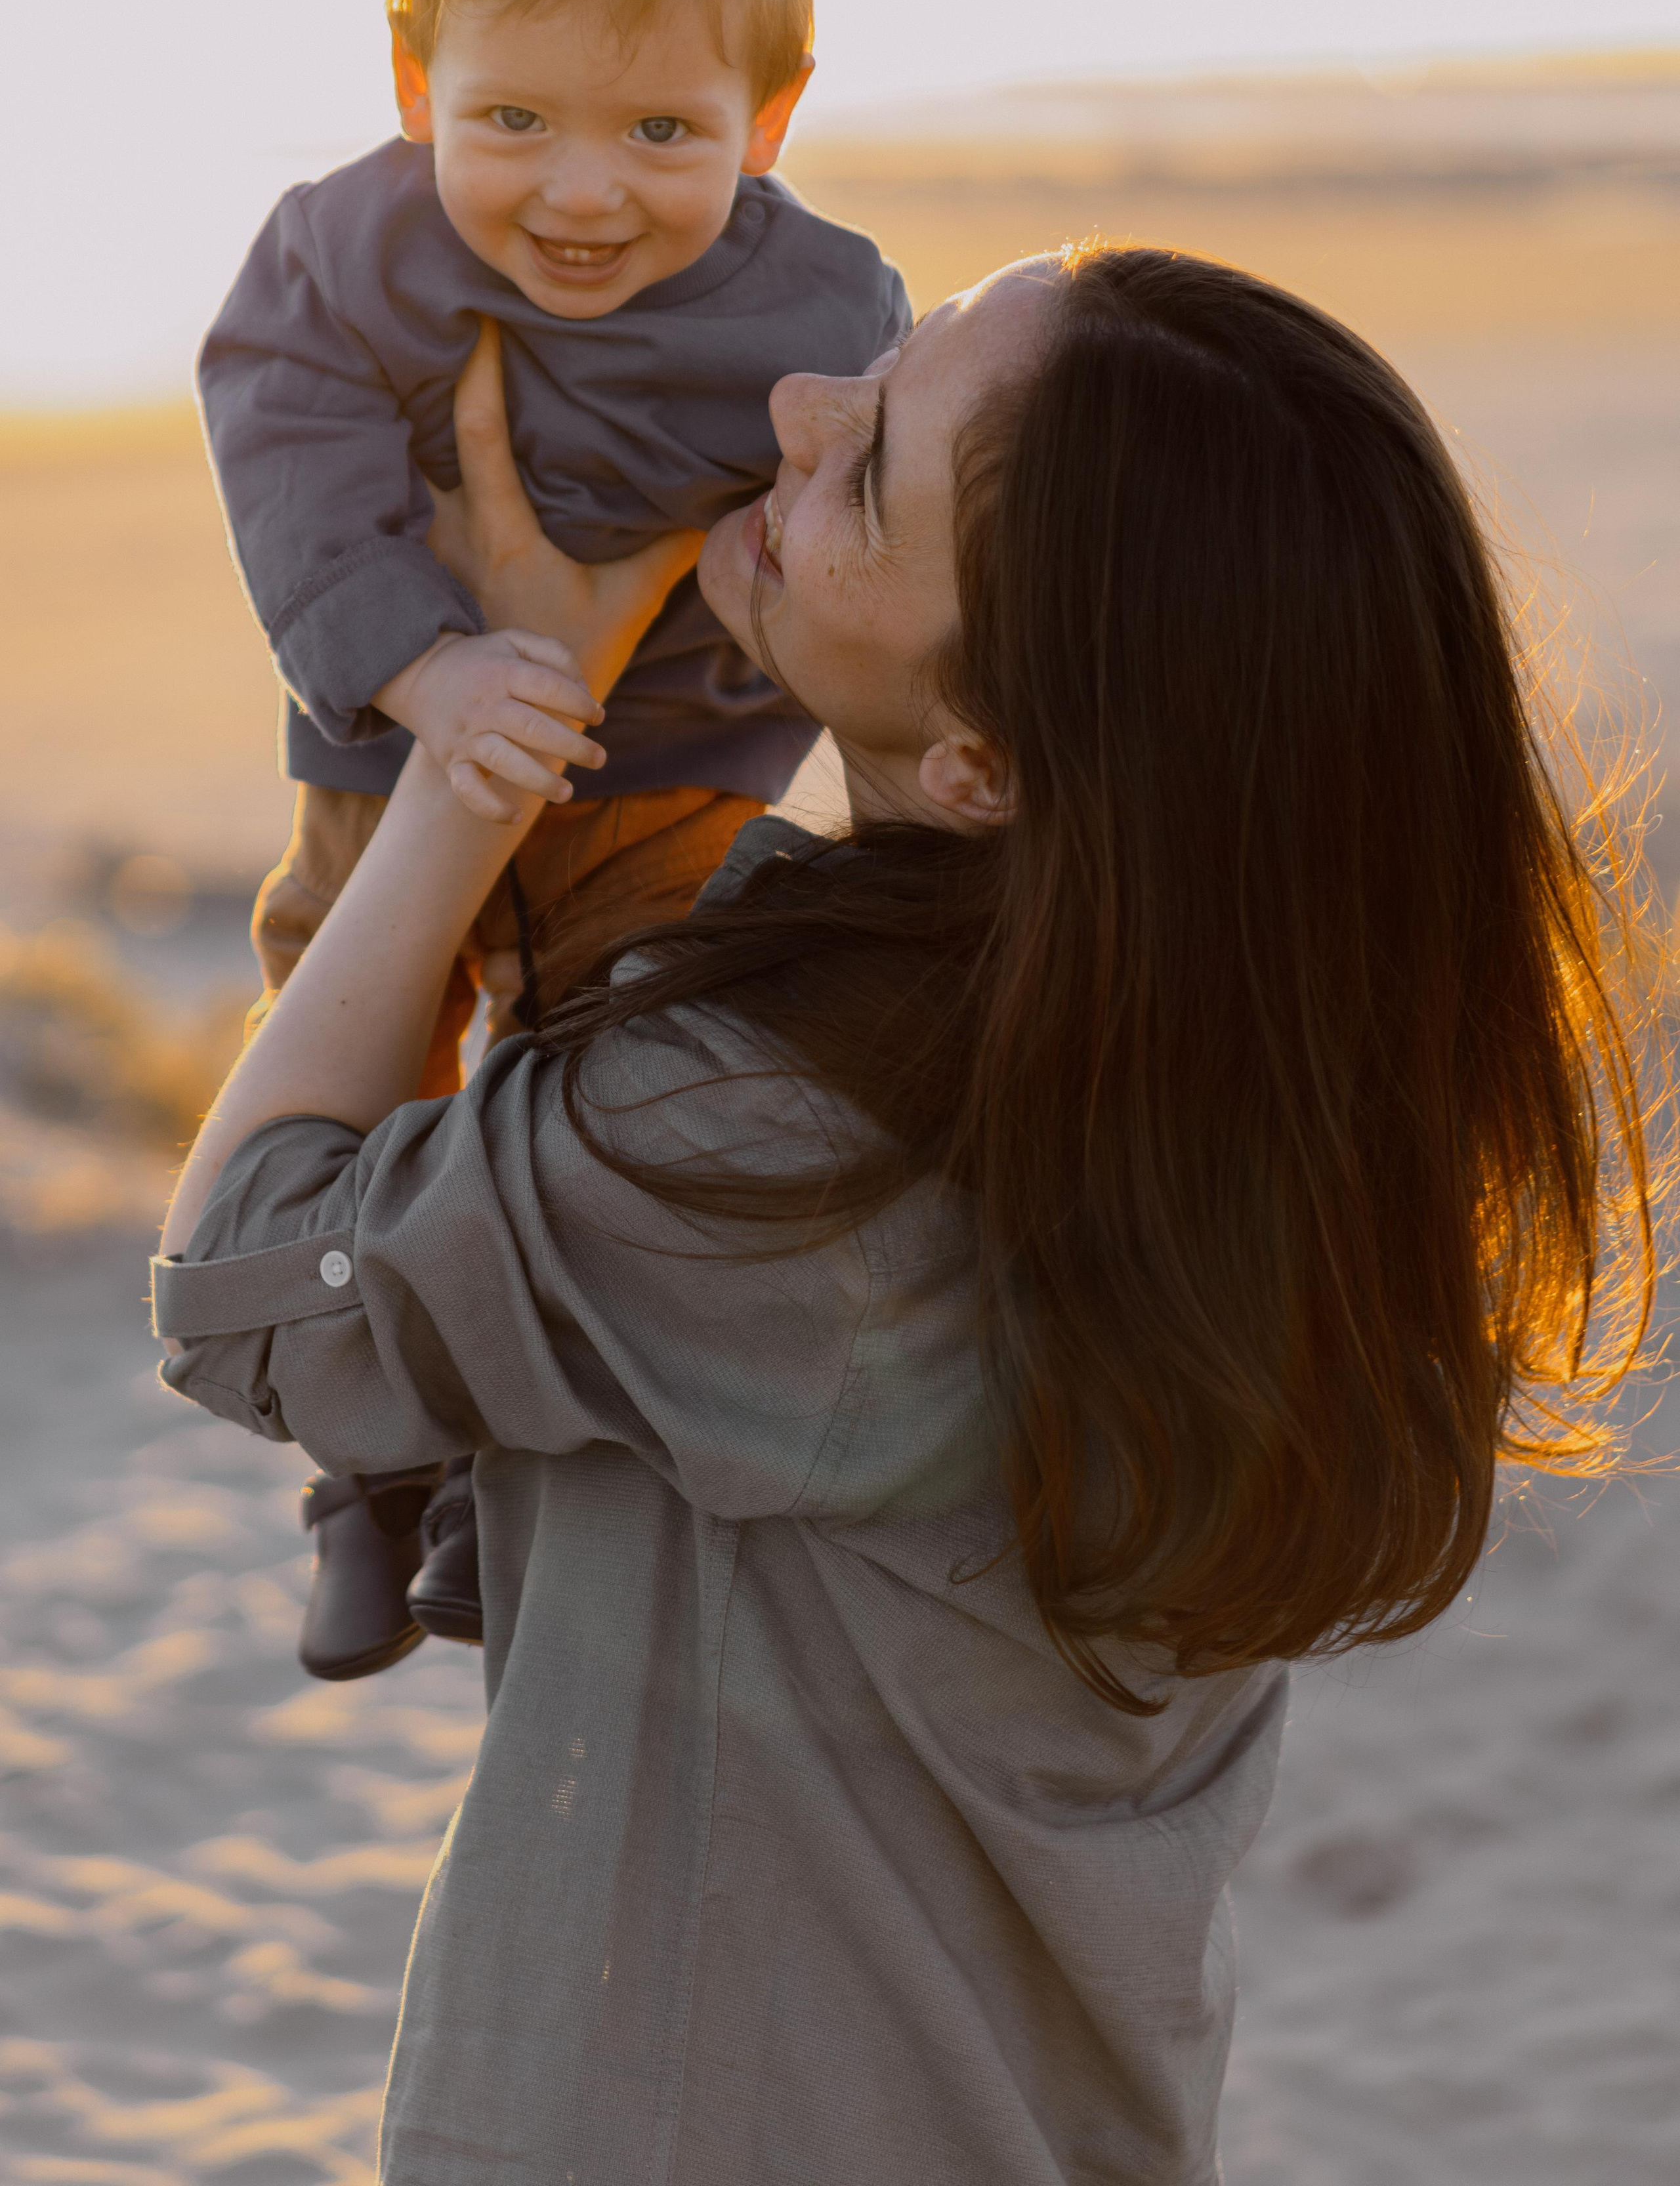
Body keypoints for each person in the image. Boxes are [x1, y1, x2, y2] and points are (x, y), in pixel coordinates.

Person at [154, 247, 1657, 2184]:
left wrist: (466, 759)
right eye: (881, 359)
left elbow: (247, 1289)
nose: (797, 408)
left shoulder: (782, 1150)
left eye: (866, 468)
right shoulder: (1250, 1143)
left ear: (986, 766)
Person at [196, 0, 910, 1675]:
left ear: (769, 114)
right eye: (512, 120)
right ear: (418, 76)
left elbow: (866, 542)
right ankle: (368, 1482)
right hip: (390, 761)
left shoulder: (829, 317)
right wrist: (425, 665)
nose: (582, 195)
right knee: (357, 1066)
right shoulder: (342, 249)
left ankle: (511, 1474)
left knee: (602, 1092)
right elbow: (281, 432)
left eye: (662, 135)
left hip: (665, 782)